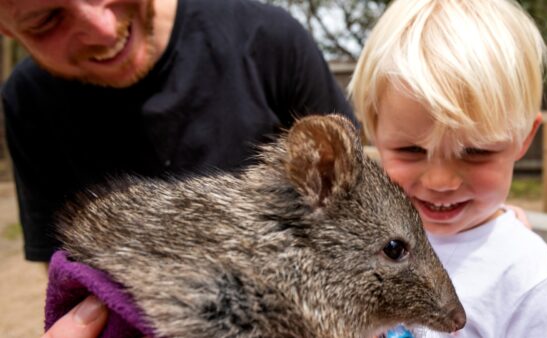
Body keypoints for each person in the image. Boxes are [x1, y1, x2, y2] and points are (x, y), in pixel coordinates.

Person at [0, 0, 354, 336]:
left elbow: (356, 220)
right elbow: (68, 274)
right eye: (45, 20)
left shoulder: (270, 39)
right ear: (6, 27)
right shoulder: (27, 101)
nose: (104, 30)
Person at [348, 0, 547, 336]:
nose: (440, 181)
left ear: (523, 139)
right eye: (411, 149)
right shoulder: (359, 237)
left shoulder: (527, 276)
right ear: (373, 131)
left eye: (476, 151)